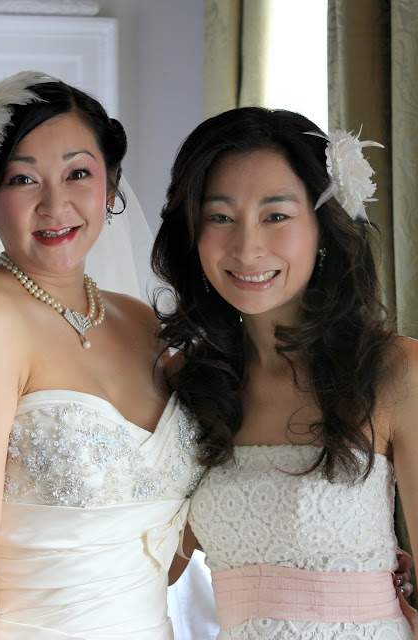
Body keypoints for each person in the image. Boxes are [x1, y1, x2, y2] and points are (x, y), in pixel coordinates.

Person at [0, 70, 203, 640]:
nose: (55, 204)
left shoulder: (142, 323)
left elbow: (165, 548)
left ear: (111, 187)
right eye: (23, 180)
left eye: (78, 173)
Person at [152, 106, 418, 639]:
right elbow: (150, 569)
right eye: (219, 217)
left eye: (275, 216)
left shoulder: (394, 371)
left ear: (324, 226)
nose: (247, 248)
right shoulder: (184, 383)